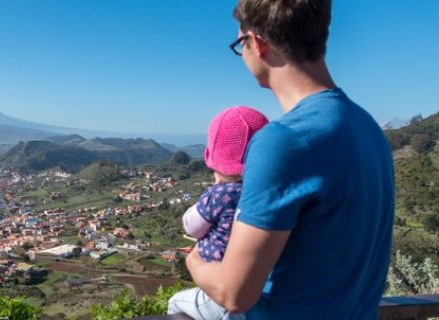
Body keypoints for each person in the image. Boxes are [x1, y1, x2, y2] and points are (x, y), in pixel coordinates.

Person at [171, 1, 395, 319]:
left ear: (258, 44)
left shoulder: (284, 141)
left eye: (239, 45)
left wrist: (193, 261)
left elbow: (235, 294)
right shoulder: (367, 127)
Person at [169, 106, 268, 319]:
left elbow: (192, 227)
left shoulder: (219, 194)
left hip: (221, 284)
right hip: (263, 286)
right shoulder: (270, 192)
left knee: (175, 302)